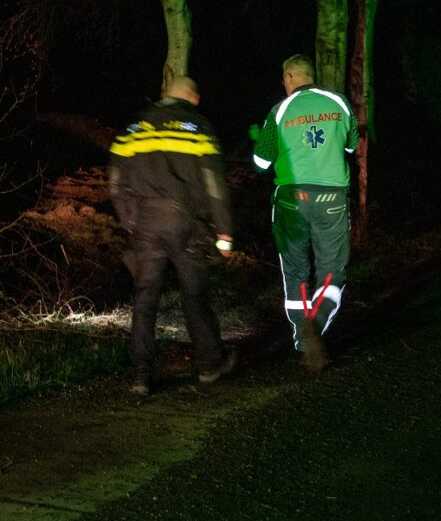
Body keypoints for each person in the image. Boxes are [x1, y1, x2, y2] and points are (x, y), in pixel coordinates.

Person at [108, 75, 237, 396]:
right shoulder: (198, 127)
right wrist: (224, 232)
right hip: (187, 224)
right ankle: (209, 365)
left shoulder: (134, 128)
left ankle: (140, 375)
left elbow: (115, 181)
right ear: (191, 97)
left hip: (146, 224)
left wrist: (130, 220)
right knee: (194, 294)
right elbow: (214, 185)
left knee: (145, 297)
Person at [251, 54, 359, 370]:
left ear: (289, 78)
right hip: (332, 197)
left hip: (290, 200)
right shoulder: (338, 102)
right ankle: (318, 322)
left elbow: (260, 162)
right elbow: (351, 146)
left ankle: (302, 340)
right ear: (312, 76)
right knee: (332, 271)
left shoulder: (280, 111)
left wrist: (259, 139)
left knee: (295, 272)